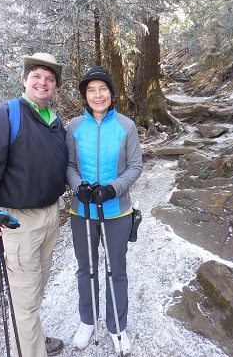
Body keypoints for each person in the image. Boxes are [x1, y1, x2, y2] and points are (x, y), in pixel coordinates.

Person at [0, 52, 69, 357]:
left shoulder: (55, 123)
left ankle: (30, 340)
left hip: (50, 216)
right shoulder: (6, 115)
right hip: (18, 223)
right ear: (24, 81)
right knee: (26, 298)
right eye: (37, 76)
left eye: (50, 78)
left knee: (35, 290)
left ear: (55, 87)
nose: (43, 82)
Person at [66, 66, 142, 355]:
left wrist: (113, 188)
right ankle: (88, 320)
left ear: (111, 92)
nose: (98, 95)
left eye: (103, 89)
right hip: (82, 212)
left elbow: (135, 166)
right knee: (86, 268)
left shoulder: (126, 126)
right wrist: (78, 186)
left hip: (117, 212)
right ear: (85, 96)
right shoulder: (74, 127)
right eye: (91, 90)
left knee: (116, 270)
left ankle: (116, 326)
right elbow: (70, 166)